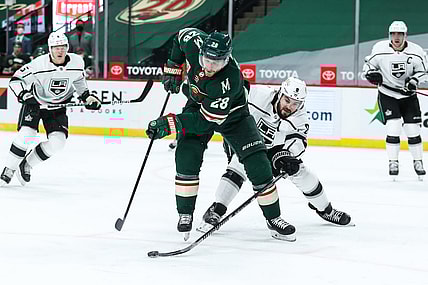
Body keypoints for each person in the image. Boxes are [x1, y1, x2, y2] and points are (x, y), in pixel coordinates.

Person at [146, 28, 296, 242]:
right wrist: (173, 66)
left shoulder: (228, 80)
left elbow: (204, 121)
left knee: (258, 164)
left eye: (216, 63)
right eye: (207, 60)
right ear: (202, 51)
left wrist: (171, 123)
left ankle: (274, 219)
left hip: (234, 117)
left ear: (226, 59)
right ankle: (185, 213)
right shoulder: (195, 42)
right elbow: (181, 36)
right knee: (186, 153)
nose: (209, 67)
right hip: (197, 105)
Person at [197, 78, 353, 233]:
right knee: (239, 165)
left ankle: (326, 210)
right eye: (287, 100)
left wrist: (287, 158)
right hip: (245, 141)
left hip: (275, 150)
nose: (290, 106)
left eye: (295, 104)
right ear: (280, 93)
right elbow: (233, 96)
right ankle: (216, 209)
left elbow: (298, 141)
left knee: (302, 172)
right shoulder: (257, 95)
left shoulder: (301, 118)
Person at [0, 32, 101, 187]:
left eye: (63, 47)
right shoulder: (38, 64)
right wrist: (25, 96)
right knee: (27, 134)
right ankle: (9, 168)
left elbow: (79, 80)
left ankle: (26, 164)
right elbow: (15, 81)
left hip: (58, 107)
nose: (60, 51)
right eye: (56, 47)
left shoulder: (77, 62)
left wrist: (87, 97)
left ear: (67, 47)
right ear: (50, 49)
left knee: (58, 142)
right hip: (35, 104)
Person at [363, 20, 427, 180]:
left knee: (413, 130)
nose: (396, 37)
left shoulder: (416, 51)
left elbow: (424, 71)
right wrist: (371, 74)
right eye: (393, 34)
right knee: (393, 127)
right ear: (389, 35)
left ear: (406, 35)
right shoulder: (379, 49)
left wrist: (414, 81)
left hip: (408, 96)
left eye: (400, 34)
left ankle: (418, 162)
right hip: (387, 94)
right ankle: (393, 162)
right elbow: (368, 67)